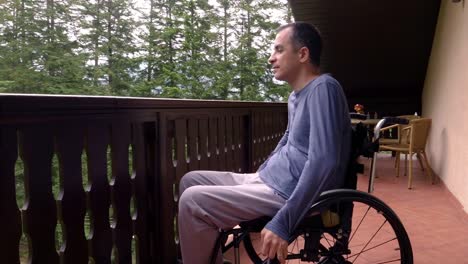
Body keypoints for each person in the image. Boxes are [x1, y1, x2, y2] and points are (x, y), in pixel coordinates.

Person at [178, 22, 351, 264]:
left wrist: (284, 220)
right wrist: (262, 171)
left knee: (192, 200)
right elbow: (288, 139)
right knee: (190, 180)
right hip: (268, 180)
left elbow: (324, 160)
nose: (271, 58)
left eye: (279, 50)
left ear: (302, 54)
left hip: (287, 191)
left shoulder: (323, 88)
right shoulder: (296, 95)